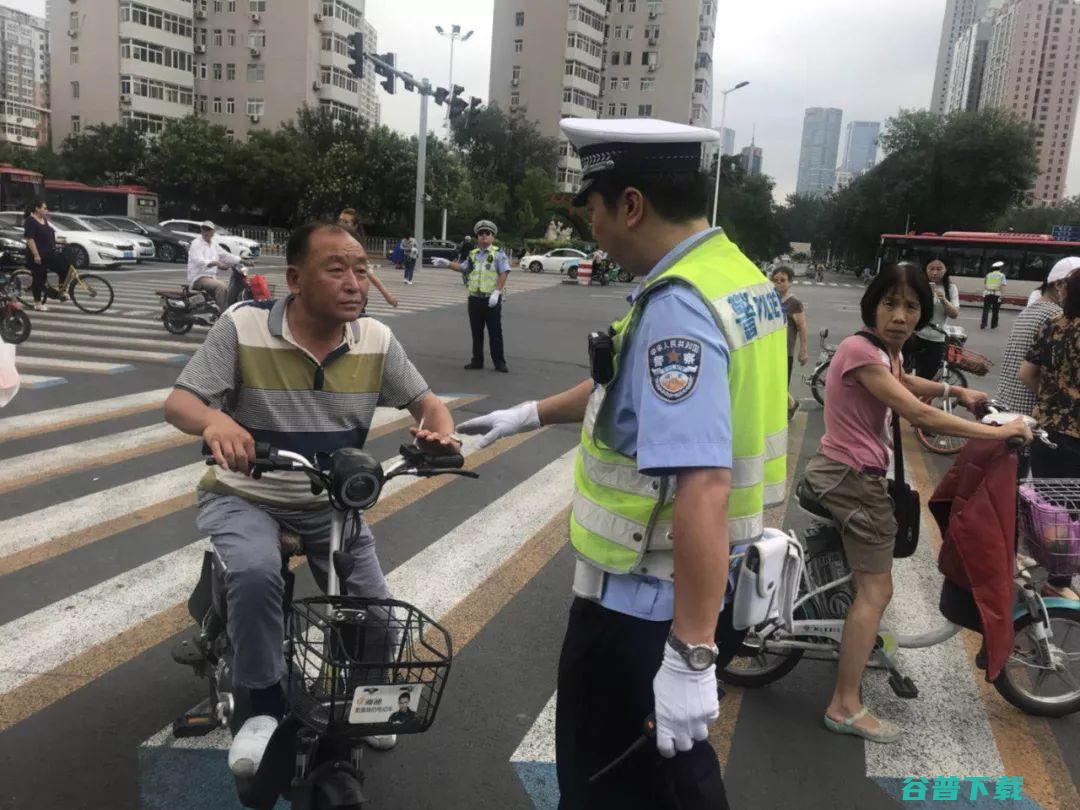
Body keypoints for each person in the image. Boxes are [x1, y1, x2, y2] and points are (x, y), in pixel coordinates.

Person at [458, 118, 788, 809]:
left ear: (630, 205)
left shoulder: (680, 307)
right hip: (701, 589)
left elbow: (703, 482)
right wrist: (526, 415)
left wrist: (690, 655)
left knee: (608, 787)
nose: (594, 230)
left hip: (647, 607)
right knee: (668, 786)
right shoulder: (739, 277)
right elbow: (626, 390)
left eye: (594, 210)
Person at [163, 221, 462, 776]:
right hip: (246, 493)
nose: (355, 282)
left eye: (362, 269)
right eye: (337, 269)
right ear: (295, 278)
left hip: (332, 505)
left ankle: (362, 706)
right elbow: (181, 402)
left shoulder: (375, 340)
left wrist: (437, 432)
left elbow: (427, 403)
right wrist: (213, 421)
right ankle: (265, 703)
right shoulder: (243, 325)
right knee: (255, 575)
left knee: (378, 614)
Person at [801, 262, 1031, 745]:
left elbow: (906, 385)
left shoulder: (885, 352)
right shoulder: (860, 350)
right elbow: (913, 411)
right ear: (872, 307)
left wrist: (958, 390)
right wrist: (996, 430)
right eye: (890, 304)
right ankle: (844, 705)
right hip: (851, 481)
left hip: (845, 472)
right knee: (877, 592)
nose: (900, 316)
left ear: (923, 313)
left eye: (910, 306)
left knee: (872, 580)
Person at [1020, 269, 1080, 599]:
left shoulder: (1053, 326)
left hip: (1047, 429)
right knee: (1072, 511)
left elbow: (1027, 372)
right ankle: (1059, 582)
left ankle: (1054, 573)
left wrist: (1049, 402)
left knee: (1051, 505)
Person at [996, 256, 1079, 415]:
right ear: (1059, 286)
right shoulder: (1056, 316)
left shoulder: (1032, 309)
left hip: (1006, 403)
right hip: (1027, 411)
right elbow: (1028, 375)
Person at [439, 220, 510, 373]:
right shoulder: (473, 254)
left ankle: (499, 362)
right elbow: (463, 268)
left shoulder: (498, 254)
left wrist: (497, 292)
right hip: (474, 299)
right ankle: (477, 360)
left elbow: (504, 273)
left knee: (495, 332)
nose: (484, 236)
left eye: (487, 233)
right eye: (481, 234)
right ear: (477, 237)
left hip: (491, 299)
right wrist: (447, 264)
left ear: (493, 236)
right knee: (476, 332)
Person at [903, 258, 959, 380]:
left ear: (945, 270)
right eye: (931, 269)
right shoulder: (919, 285)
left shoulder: (950, 288)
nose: (935, 272)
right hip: (915, 335)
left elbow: (954, 314)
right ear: (926, 270)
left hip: (936, 340)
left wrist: (944, 300)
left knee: (927, 378)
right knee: (904, 373)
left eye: (939, 269)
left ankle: (920, 398)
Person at [337, 208, 398, 310]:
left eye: (346, 222)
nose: (341, 224)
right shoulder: (331, 241)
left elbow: (368, 272)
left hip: (352, 296)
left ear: (355, 226)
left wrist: (387, 296)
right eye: (340, 220)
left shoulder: (356, 247)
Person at [772, 266, 807, 420]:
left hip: (786, 352)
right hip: (770, 349)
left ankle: (789, 406)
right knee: (772, 383)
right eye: (776, 280)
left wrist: (803, 350)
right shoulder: (770, 299)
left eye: (783, 280)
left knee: (780, 385)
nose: (779, 283)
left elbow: (802, 327)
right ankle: (791, 405)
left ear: (790, 282)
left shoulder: (794, 303)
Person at [187, 221, 241, 312]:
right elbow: (198, 261)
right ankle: (223, 314)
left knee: (231, 287)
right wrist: (216, 263)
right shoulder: (196, 244)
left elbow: (226, 256)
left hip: (211, 277)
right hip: (199, 277)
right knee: (221, 287)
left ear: (213, 232)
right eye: (204, 229)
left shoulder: (213, 244)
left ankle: (217, 309)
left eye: (208, 230)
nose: (206, 232)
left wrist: (241, 260)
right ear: (201, 230)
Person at [23, 199, 66, 311]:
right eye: (44, 208)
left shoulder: (44, 220)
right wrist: (36, 255)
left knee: (63, 269)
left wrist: (60, 242)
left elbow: (47, 235)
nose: (46, 210)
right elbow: (30, 239)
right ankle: (37, 303)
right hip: (37, 256)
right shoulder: (30, 221)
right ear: (37, 209)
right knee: (39, 279)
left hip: (49, 253)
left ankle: (61, 292)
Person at [981, 260, 1008, 329]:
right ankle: (993, 325)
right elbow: (1002, 286)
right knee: (995, 311)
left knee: (985, 310)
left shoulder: (988, 275)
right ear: (1000, 269)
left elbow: (985, 285)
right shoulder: (1002, 275)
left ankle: (983, 324)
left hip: (988, 294)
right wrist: (1003, 295)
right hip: (997, 295)